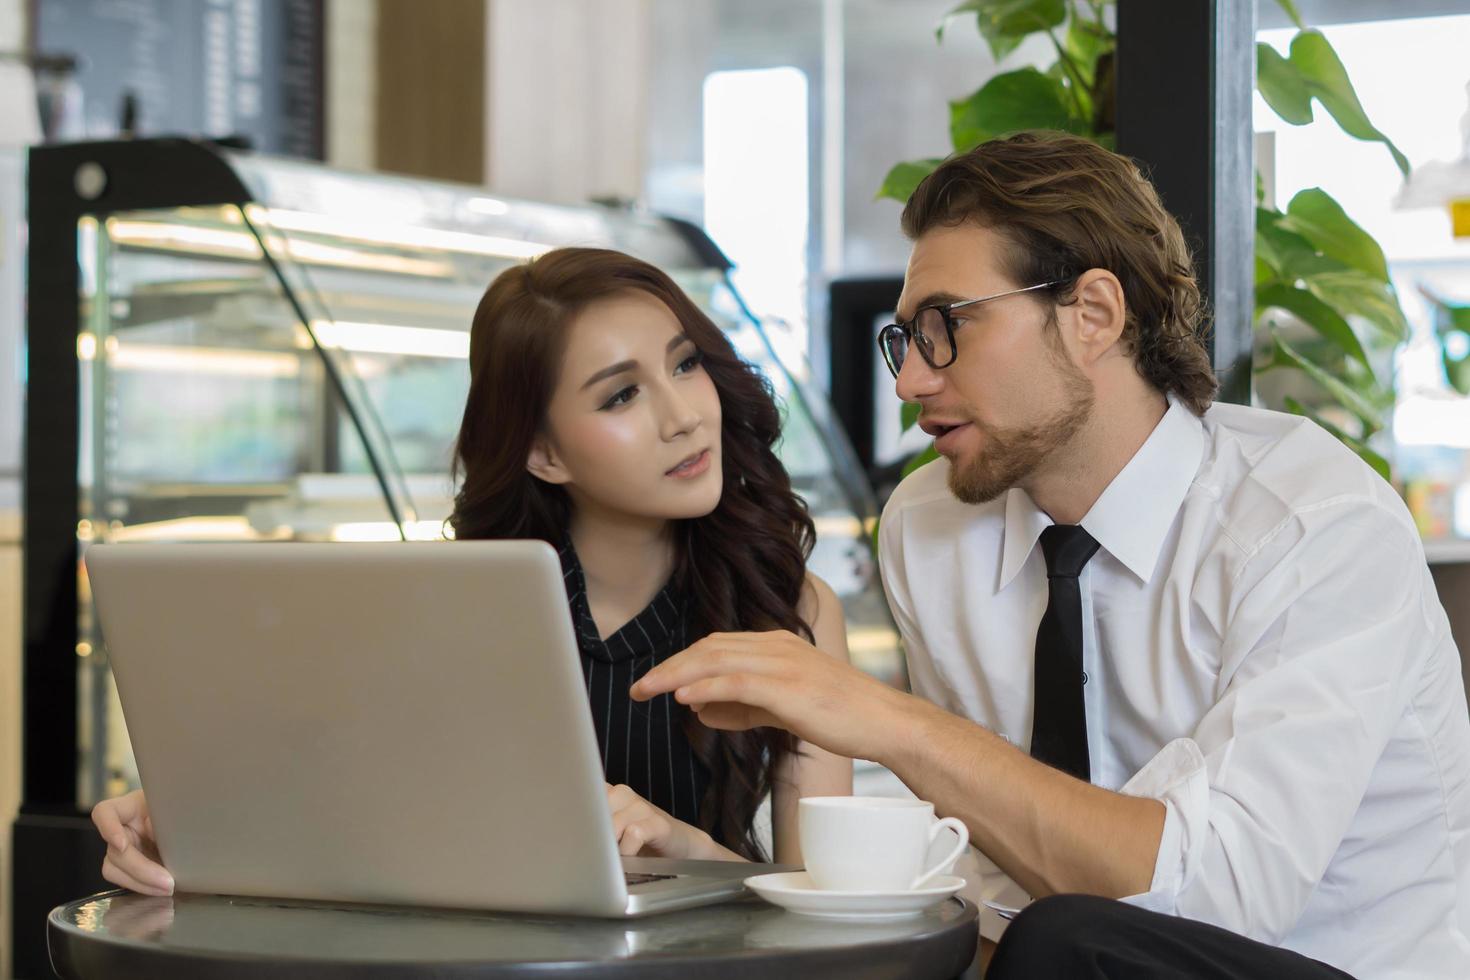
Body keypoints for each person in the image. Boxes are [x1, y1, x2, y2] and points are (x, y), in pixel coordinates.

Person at [634, 131, 1470, 979]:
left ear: (1093, 316)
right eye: (906, 338)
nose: (910, 382)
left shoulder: (1312, 524)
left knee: (1058, 940)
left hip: (1319, 966)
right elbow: (995, 866)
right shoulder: (930, 525)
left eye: (946, 327)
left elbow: (1214, 903)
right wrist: (724, 875)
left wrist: (890, 724)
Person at [91, 247, 853, 897]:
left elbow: (829, 917)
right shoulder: (456, 604)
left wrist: (684, 850)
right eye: (621, 394)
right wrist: (176, 820)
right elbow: (332, 805)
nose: (684, 414)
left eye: (684, 365)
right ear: (542, 454)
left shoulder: (790, 608)